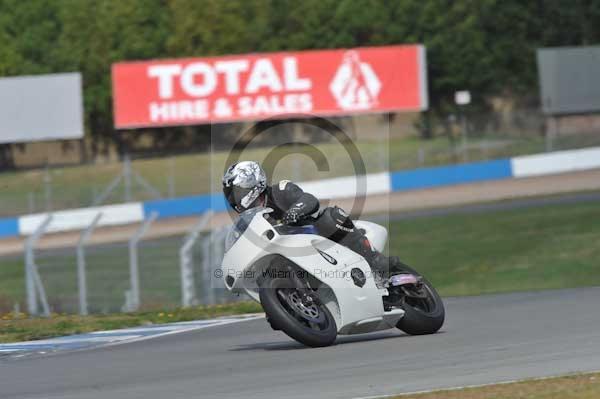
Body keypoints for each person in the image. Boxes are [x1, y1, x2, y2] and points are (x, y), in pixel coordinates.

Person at [222, 160, 401, 276]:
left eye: (237, 193)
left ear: (254, 182)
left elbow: (309, 200)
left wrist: (293, 212)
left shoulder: (281, 190)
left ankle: (375, 259)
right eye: (232, 195)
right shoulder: (250, 221)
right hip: (293, 256)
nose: (235, 199)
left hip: (318, 238)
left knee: (330, 216)